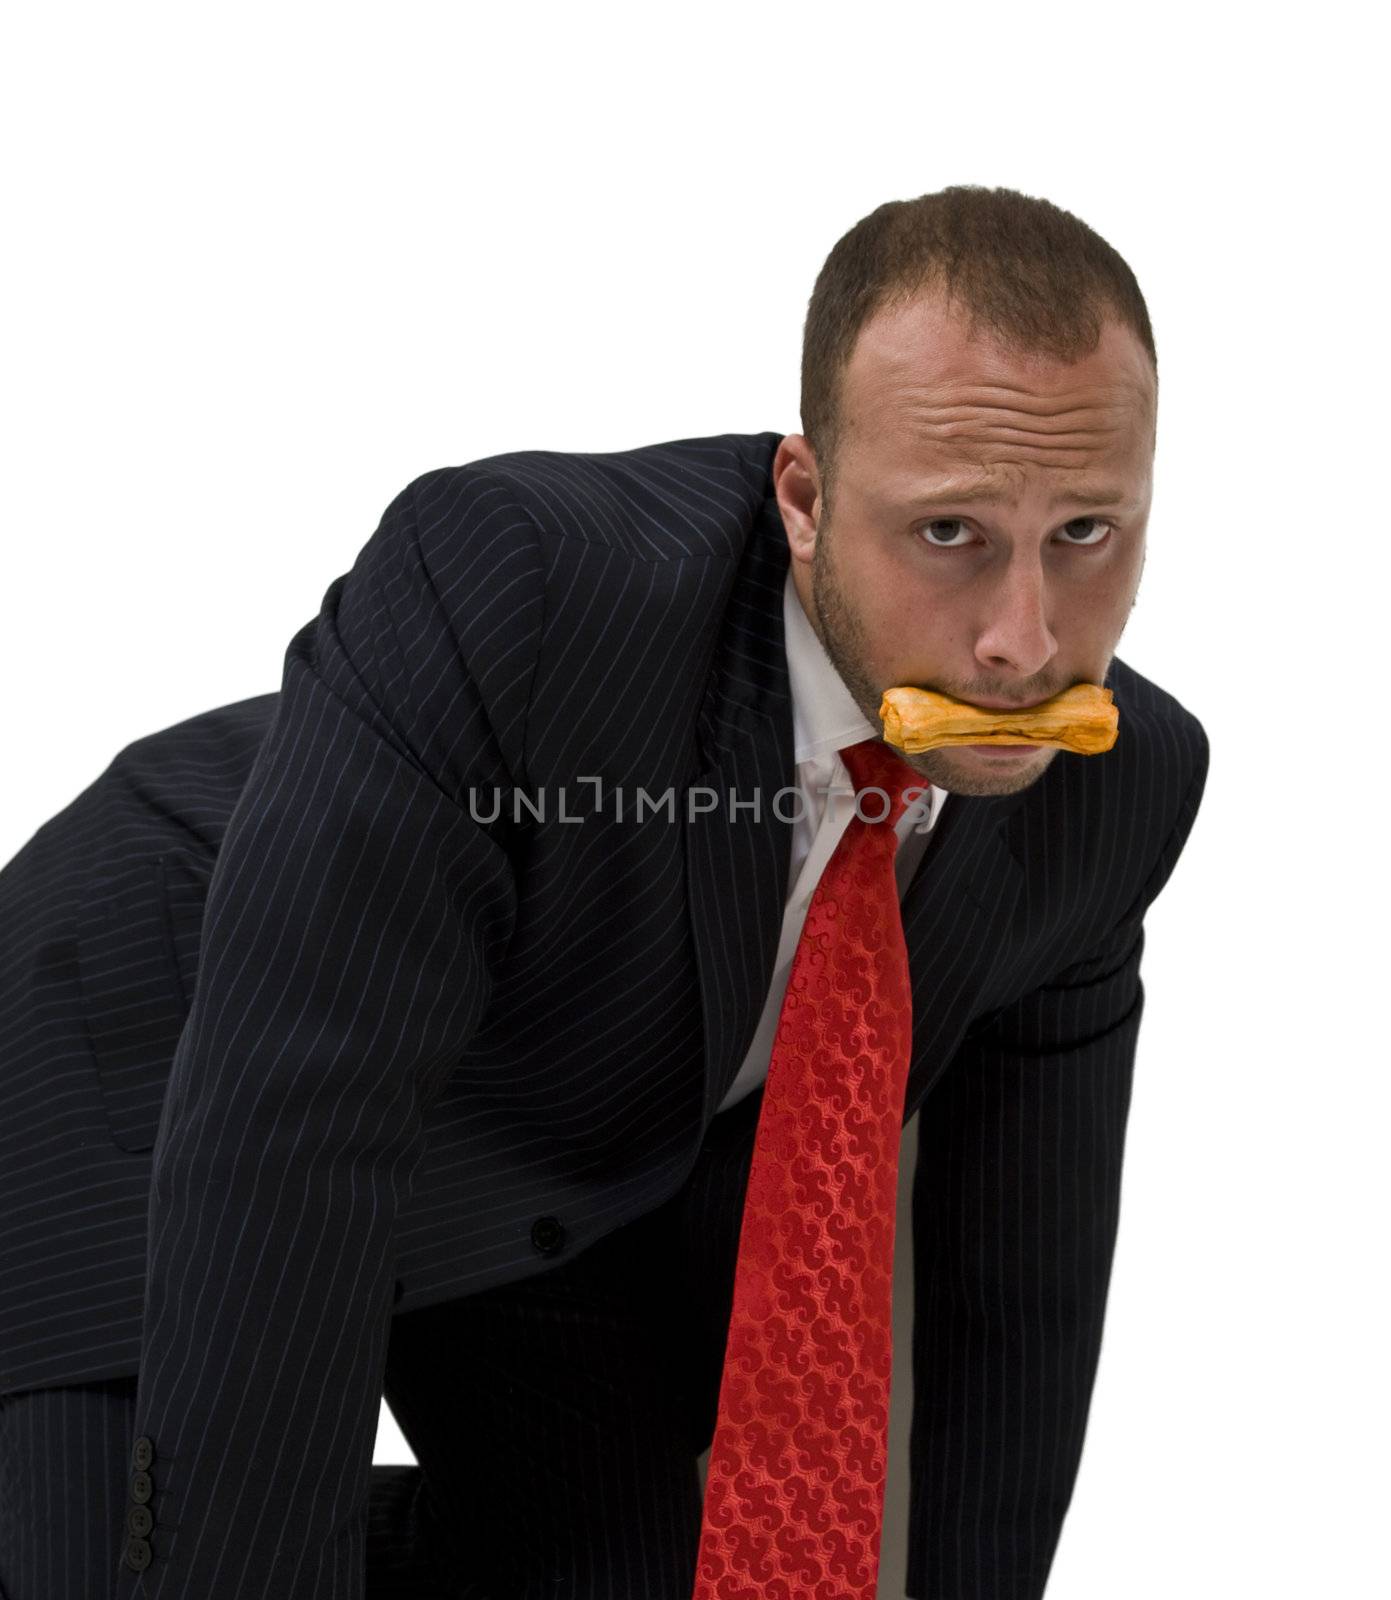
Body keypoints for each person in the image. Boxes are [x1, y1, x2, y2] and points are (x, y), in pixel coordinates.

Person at [0, 183, 1209, 1599]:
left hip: (549, 1150)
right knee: (158, 1560)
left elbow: (1010, 1302)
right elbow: (295, 1133)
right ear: (805, 501)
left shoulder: (1123, 786)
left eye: (1085, 533)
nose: (1025, 641)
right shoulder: (520, 582)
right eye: (949, 533)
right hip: (160, 1074)